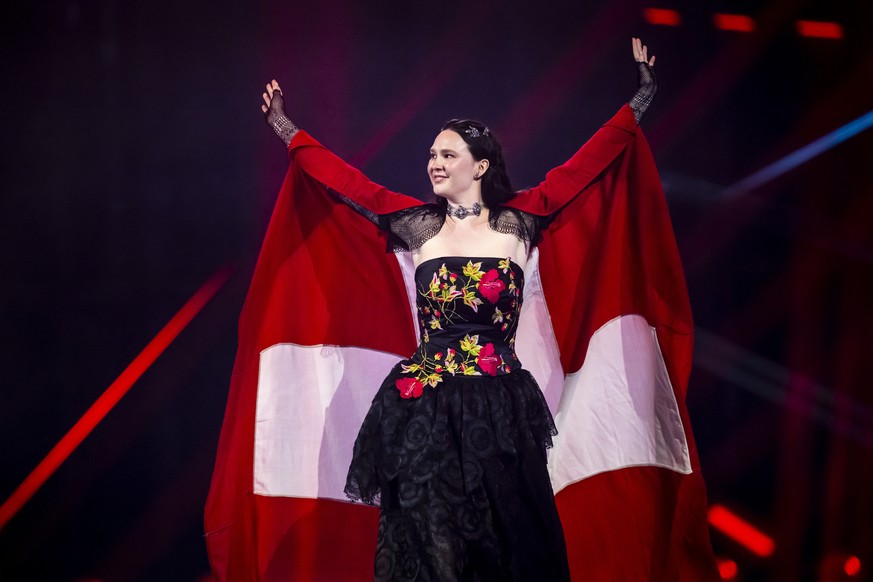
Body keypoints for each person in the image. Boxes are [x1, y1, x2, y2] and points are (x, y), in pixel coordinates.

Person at [252, 38, 663, 581]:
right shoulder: (419, 225)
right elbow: (351, 185)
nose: (435, 163)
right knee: (432, 551)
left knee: (508, 551)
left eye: (448, 154)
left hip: (500, 411)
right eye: (431, 155)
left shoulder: (519, 222)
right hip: (426, 410)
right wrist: (288, 130)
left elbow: (582, 170)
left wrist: (640, 99)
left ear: (481, 164)